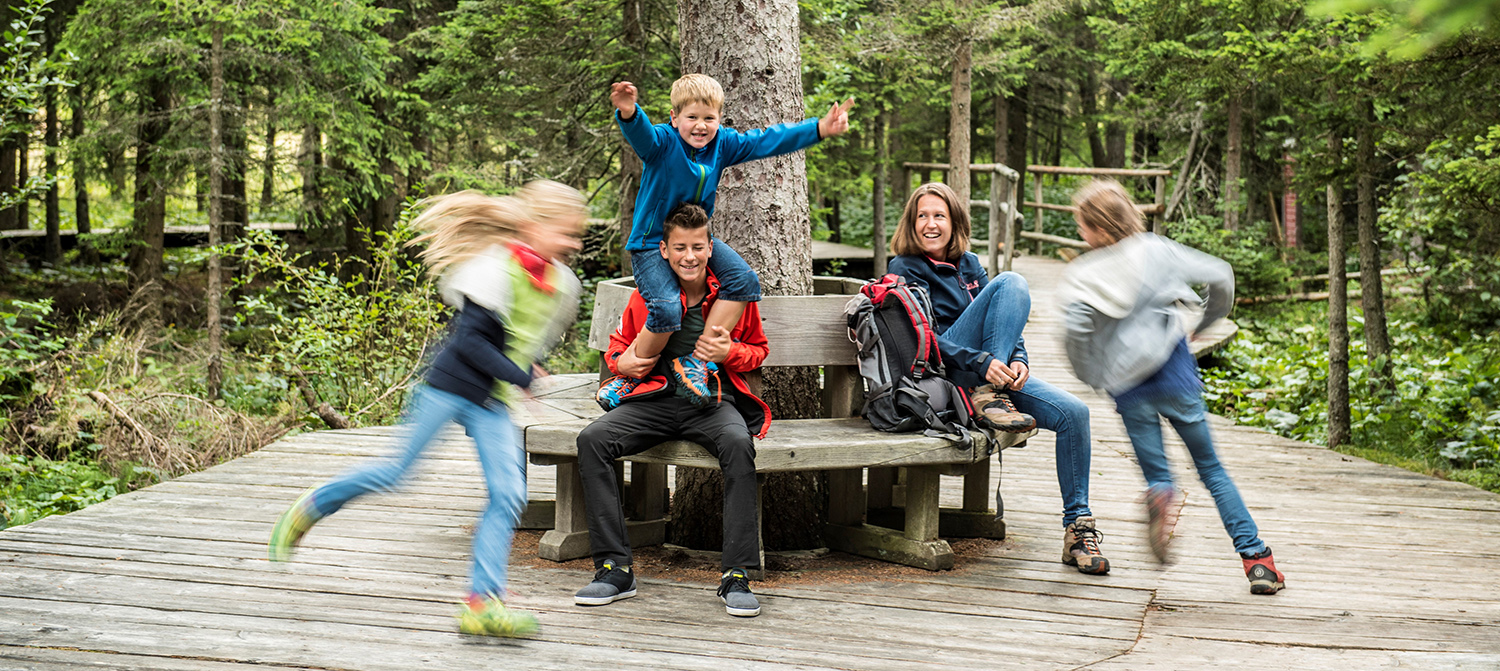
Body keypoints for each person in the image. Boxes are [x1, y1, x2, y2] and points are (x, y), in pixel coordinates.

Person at [267, 182, 588, 637]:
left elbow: (516, 339)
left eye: (576, 235)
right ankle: (313, 505)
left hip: (492, 400)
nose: (573, 244)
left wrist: (527, 365)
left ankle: (481, 603)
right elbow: (472, 341)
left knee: (508, 494)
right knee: (397, 473)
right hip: (451, 386)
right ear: (534, 226)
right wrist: (523, 376)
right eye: (566, 233)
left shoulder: (561, 284)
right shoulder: (495, 267)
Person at [1060, 179, 1286, 595]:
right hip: (1175, 374)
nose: (1081, 235)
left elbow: (1076, 333)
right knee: (1212, 470)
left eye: (1083, 228)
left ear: (1100, 231)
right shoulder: (1156, 249)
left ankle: (1162, 492)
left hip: (1129, 389)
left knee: (1159, 476)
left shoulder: (1084, 274)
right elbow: (1221, 276)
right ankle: (1258, 563)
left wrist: (1094, 374)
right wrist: (1204, 323)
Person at [886, 182, 1110, 576]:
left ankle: (1078, 529)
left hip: (988, 380)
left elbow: (1005, 320)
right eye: (922, 216)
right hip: (947, 378)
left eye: (939, 215)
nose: (930, 224)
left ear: (955, 222)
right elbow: (924, 338)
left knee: (1075, 413)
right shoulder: (903, 269)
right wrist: (983, 362)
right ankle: (986, 390)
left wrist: (1017, 359)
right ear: (911, 222)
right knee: (1012, 282)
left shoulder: (970, 264)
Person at [604, 74, 850, 407]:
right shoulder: (663, 143)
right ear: (675, 118)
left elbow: (767, 140)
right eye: (691, 117)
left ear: (719, 120)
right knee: (665, 308)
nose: (701, 126)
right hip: (651, 244)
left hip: (697, 240)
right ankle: (629, 377)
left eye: (709, 118)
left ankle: (696, 362)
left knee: (743, 281)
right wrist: (629, 112)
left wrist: (819, 128)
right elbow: (642, 136)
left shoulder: (723, 144)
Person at [575, 204, 771, 617]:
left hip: (712, 403)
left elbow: (758, 351)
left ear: (710, 247)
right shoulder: (651, 295)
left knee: (739, 444)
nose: (689, 256)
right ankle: (614, 569)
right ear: (663, 250)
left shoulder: (733, 293)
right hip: (654, 400)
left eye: (698, 247)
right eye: (679, 247)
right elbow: (619, 345)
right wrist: (620, 363)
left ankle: (736, 574)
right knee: (593, 439)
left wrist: (730, 351)